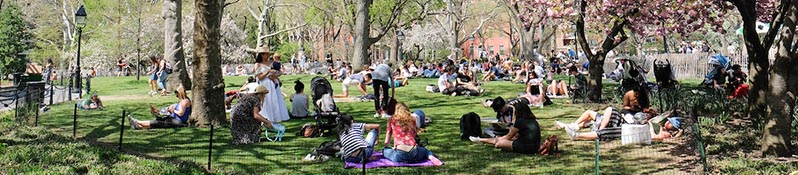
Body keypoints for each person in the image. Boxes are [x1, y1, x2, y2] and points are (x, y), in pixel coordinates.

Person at [557, 107, 682, 141]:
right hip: (630, 126)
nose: (667, 122)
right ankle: (575, 127)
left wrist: (649, 125)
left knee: (605, 132)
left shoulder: (666, 134)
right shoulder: (660, 126)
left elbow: (653, 137)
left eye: (670, 123)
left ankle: (576, 135)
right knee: (611, 110)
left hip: (630, 133)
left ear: (674, 129)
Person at [469, 102, 541, 154]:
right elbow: (516, 136)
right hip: (535, 146)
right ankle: (480, 140)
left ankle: (480, 140)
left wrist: (499, 140)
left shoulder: (520, 122)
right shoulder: (533, 120)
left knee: (499, 143)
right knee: (501, 139)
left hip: (526, 147)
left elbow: (509, 136)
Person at [253, 48, 290, 123]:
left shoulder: (272, 62)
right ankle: (265, 117)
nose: (268, 56)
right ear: (262, 55)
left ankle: (275, 116)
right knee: (266, 100)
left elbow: (277, 72)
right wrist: (268, 72)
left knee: (274, 99)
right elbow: (259, 77)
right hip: (264, 83)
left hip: (272, 83)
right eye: (266, 54)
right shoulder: (258, 64)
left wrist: (277, 75)